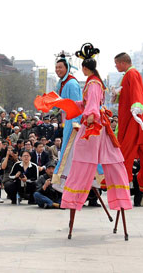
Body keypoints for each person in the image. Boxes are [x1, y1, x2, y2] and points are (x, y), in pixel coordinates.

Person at [61, 44, 132, 238]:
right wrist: (65, 104)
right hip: (102, 127)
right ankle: (120, 201)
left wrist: (89, 122)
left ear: (85, 68)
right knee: (113, 163)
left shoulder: (92, 84)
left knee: (80, 163)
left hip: (94, 128)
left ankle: (74, 203)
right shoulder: (95, 82)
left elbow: (91, 107)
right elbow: (86, 104)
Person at [113, 52, 143, 196]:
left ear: (122, 63)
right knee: (132, 150)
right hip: (130, 118)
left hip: (134, 119)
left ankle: (121, 183)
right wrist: (118, 94)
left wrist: (137, 106)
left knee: (125, 151)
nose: (115, 66)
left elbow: (137, 92)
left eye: (116, 63)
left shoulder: (132, 74)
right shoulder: (128, 75)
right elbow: (128, 94)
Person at [52, 51, 83, 192]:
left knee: (68, 151)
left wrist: (76, 123)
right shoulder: (62, 83)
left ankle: (64, 180)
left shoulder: (71, 83)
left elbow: (77, 104)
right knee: (66, 151)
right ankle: (65, 180)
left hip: (73, 121)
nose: (58, 70)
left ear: (67, 68)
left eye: (61, 67)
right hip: (68, 121)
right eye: (56, 67)